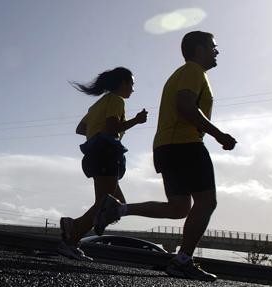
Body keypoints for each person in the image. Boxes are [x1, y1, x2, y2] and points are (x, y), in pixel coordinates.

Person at [94, 31, 237, 281]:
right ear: (198, 49)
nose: (217, 51)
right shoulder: (193, 71)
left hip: (167, 147)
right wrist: (218, 134)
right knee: (206, 202)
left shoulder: (182, 74)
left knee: (179, 207)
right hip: (185, 144)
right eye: (213, 46)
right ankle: (182, 261)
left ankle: (119, 209)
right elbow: (185, 105)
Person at [57, 67, 148, 260]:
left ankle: (73, 234)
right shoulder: (116, 100)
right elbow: (112, 126)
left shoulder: (98, 104)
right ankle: (73, 232)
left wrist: (95, 133)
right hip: (107, 154)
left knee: (115, 204)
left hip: (94, 155)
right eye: (131, 84)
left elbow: (81, 129)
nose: (133, 89)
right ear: (122, 83)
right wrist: (136, 121)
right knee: (104, 205)